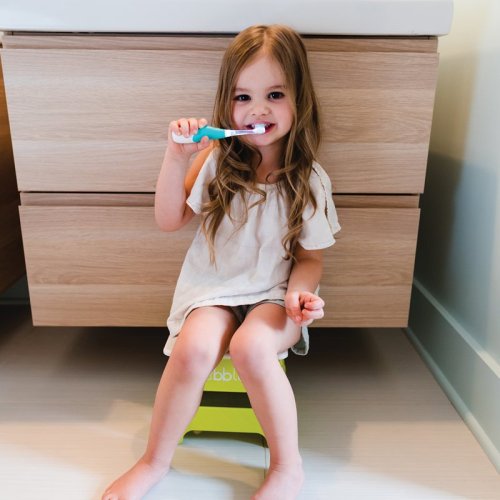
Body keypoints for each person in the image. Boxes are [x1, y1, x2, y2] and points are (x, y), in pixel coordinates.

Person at [102, 24, 340, 500]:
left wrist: (299, 294)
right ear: (226, 104)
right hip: (213, 291)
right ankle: (154, 461)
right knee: (191, 351)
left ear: (301, 99)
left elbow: (310, 258)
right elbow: (169, 219)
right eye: (243, 97)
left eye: (275, 95)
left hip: (274, 297)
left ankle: (287, 467)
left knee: (252, 347)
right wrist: (176, 157)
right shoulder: (215, 161)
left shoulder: (309, 180)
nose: (258, 110)